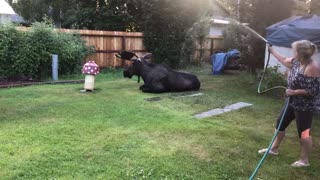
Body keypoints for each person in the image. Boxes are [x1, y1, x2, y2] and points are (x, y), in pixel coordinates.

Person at [258, 40, 320, 167]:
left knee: (304, 132)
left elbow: (313, 91)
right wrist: (272, 50)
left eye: (294, 50)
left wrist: (294, 91)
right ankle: (274, 149)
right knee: (279, 124)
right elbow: (283, 59)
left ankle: (304, 160)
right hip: (291, 101)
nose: (293, 52)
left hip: (304, 106)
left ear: (300, 53)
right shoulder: (297, 62)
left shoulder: (312, 67)